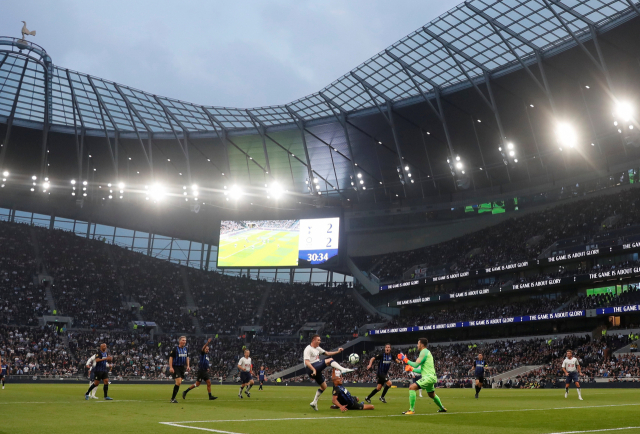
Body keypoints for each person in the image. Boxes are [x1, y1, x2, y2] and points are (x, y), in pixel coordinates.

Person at [303, 334, 354, 411]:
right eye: (318, 340)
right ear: (313, 340)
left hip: (317, 369)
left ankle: (314, 402)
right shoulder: (308, 349)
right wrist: (313, 370)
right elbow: (306, 362)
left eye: (320, 340)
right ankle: (342, 369)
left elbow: (327, 353)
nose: (320, 341)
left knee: (324, 386)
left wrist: (337, 352)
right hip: (311, 368)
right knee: (329, 360)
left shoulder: (317, 348)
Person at [400, 338, 446, 414]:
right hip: (431, 376)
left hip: (429, 377)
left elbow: (415, 364)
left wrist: (405, 359)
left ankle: (411, 410)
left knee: (412, 388)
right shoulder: (426, 352)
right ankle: (442, 408)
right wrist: (412, 369)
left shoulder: (424, 352)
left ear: (421, 344)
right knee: (431, 394)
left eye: (418, 344)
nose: (417, 345)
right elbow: (422, 370)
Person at [169, 336, 190, 403]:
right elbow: (171, 358)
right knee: (179, 382)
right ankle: (172, 399)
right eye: (183, 340)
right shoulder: (175, 349)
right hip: (176, 367)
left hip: (182, 368)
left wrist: (188, 366)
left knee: (178, 383)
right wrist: (171, 367)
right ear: (179, 341)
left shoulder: (186, 349)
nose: (184, 341)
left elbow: (187, 357)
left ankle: (173, 398)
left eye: (185, 340)